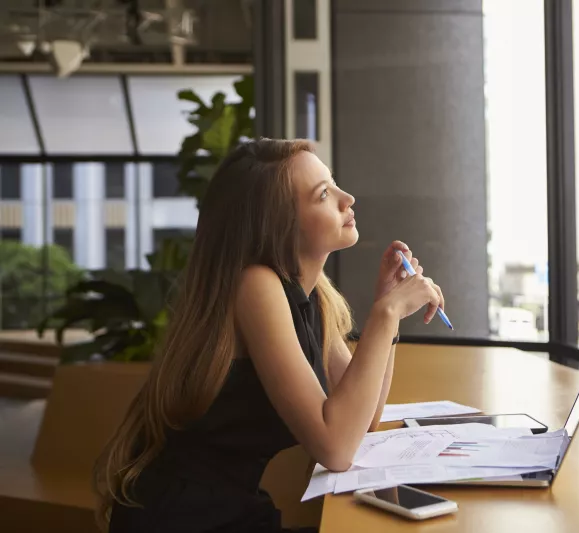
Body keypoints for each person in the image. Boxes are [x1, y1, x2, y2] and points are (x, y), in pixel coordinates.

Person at [97, 138, 446, 533]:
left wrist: (389, 309)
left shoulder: (316, 298)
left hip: (233, 509)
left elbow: (361, 423)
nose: (347, 199)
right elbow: (335, 449)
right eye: (324, 195)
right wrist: (386, 313)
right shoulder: (256, 286)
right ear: (279, 225)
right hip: (181, 518)